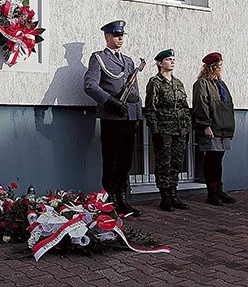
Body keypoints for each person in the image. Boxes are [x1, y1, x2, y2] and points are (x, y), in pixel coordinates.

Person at [84, 20, 143, 217]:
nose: (120, 38)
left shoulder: (128, 61)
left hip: (130, 116)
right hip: (112, 116)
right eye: (116, 35)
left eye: (122, 35)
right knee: (112, 160)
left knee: (126, 160)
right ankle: (110, 201)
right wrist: (109, 102)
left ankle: (123, 199)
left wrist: (138, 113)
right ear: (107, 37)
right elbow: (90, 85)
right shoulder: (98, 58)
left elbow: (134, 90)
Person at [144, 49, 191, 212]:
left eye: (173, 59)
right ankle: (165, 197)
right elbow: (150, 108)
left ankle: (173, 194)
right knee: (164, 163)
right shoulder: (155, 82)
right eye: (168, 59)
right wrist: (155, 129)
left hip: (180, 129)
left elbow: (185, 107)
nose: (172, 62)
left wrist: (187, 127)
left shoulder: (178, 83)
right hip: (163, 129)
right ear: (159, 63)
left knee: (177, 162)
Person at [192, 52, 236, 206]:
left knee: (218, 160)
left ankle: (219, 190)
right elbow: (201, 105)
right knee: (211, 160)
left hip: (223, 128)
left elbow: (227, 106)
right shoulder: (202, 84)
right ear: (211, 67)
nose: (220, 69)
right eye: (218, 66)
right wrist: (205, 125)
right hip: (211, 127)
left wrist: (230, 127)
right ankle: (211, 193)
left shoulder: (220, 84)